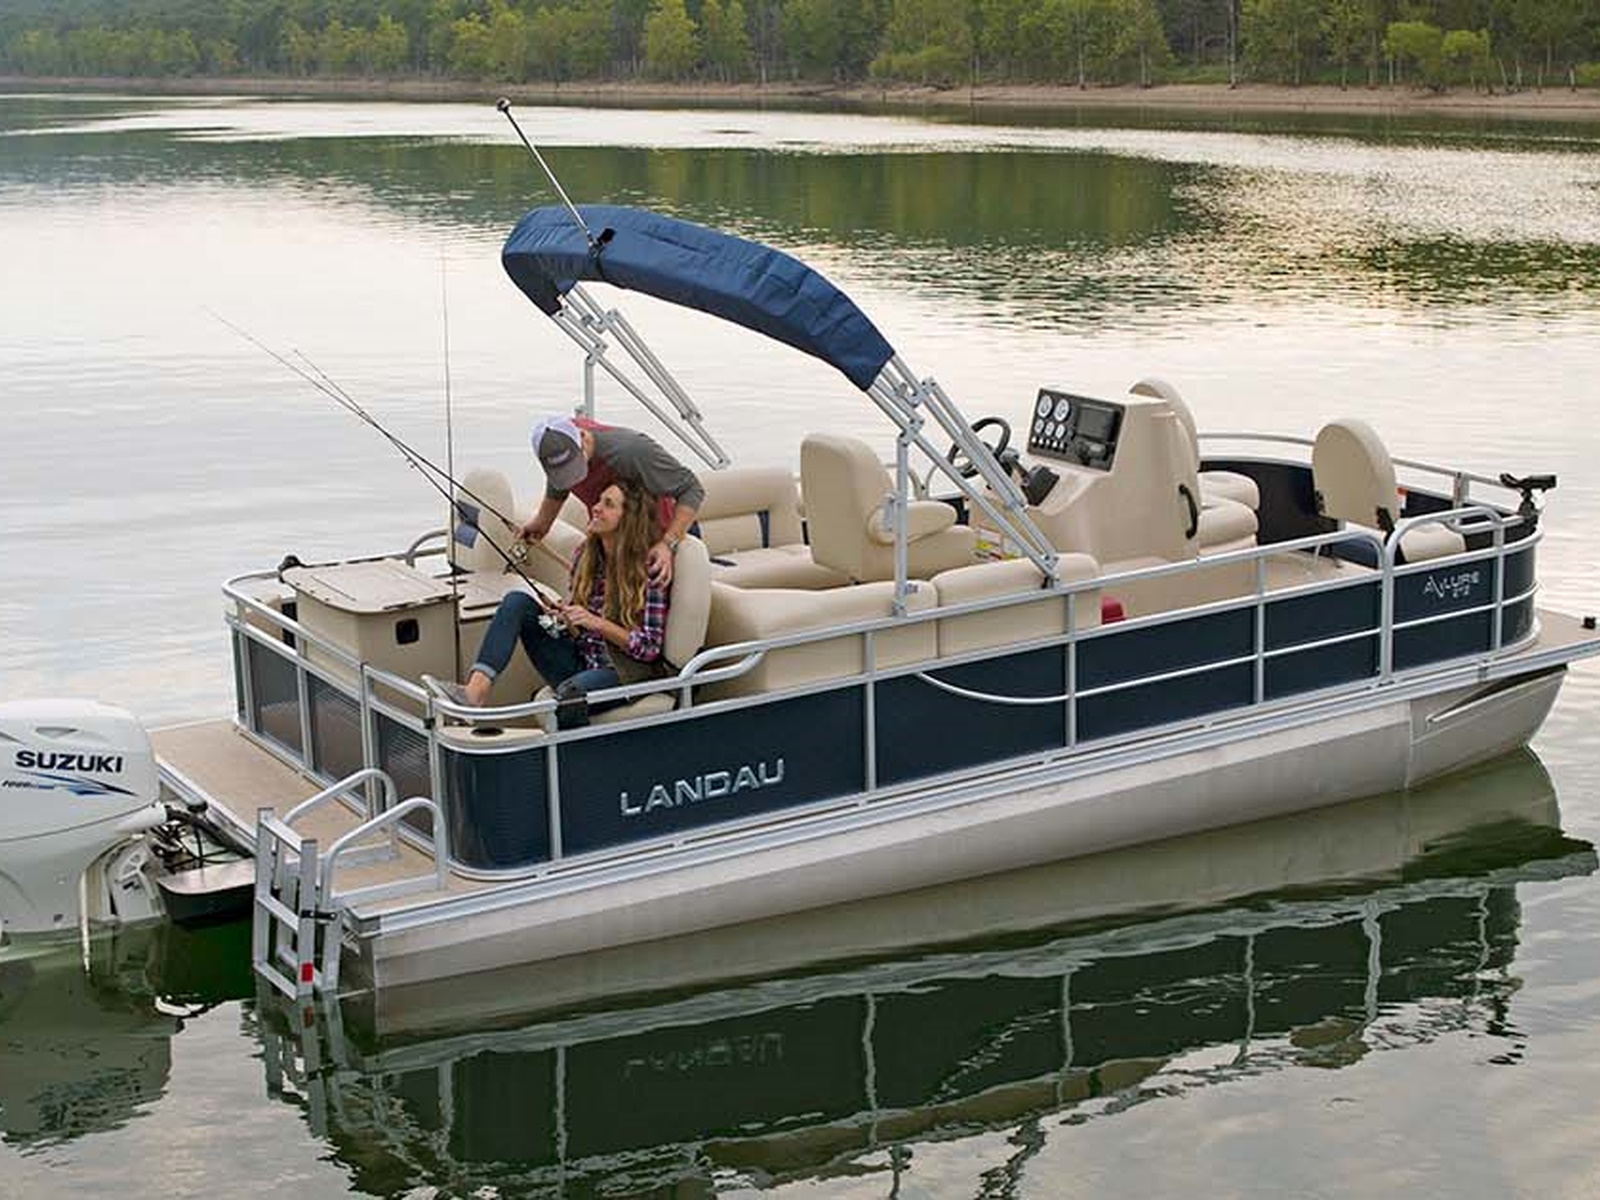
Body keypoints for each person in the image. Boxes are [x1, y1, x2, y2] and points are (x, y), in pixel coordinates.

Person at [428, 482, 670, 723]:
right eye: (599, 500)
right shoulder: (585, 555)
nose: (596, 508)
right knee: (517, 602)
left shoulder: (650, 569)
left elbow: (650, 648)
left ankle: (575, 747)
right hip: (582, 659)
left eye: (608, 504)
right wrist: (563, 617)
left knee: (570, 695)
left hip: (623, 673)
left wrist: (597, 623)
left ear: (628, 518)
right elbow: (581, 625)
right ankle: (474, 693)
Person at [522, 414, 704, 586]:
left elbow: (692, 489)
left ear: (583, 437)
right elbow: (559, 483)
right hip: (616, 542)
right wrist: (542, 523)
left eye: (575, 466)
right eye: (563, 472)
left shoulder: (631, 451)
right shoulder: (557, 442)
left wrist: (667, 544)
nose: (572, 476)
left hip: (664, 536)